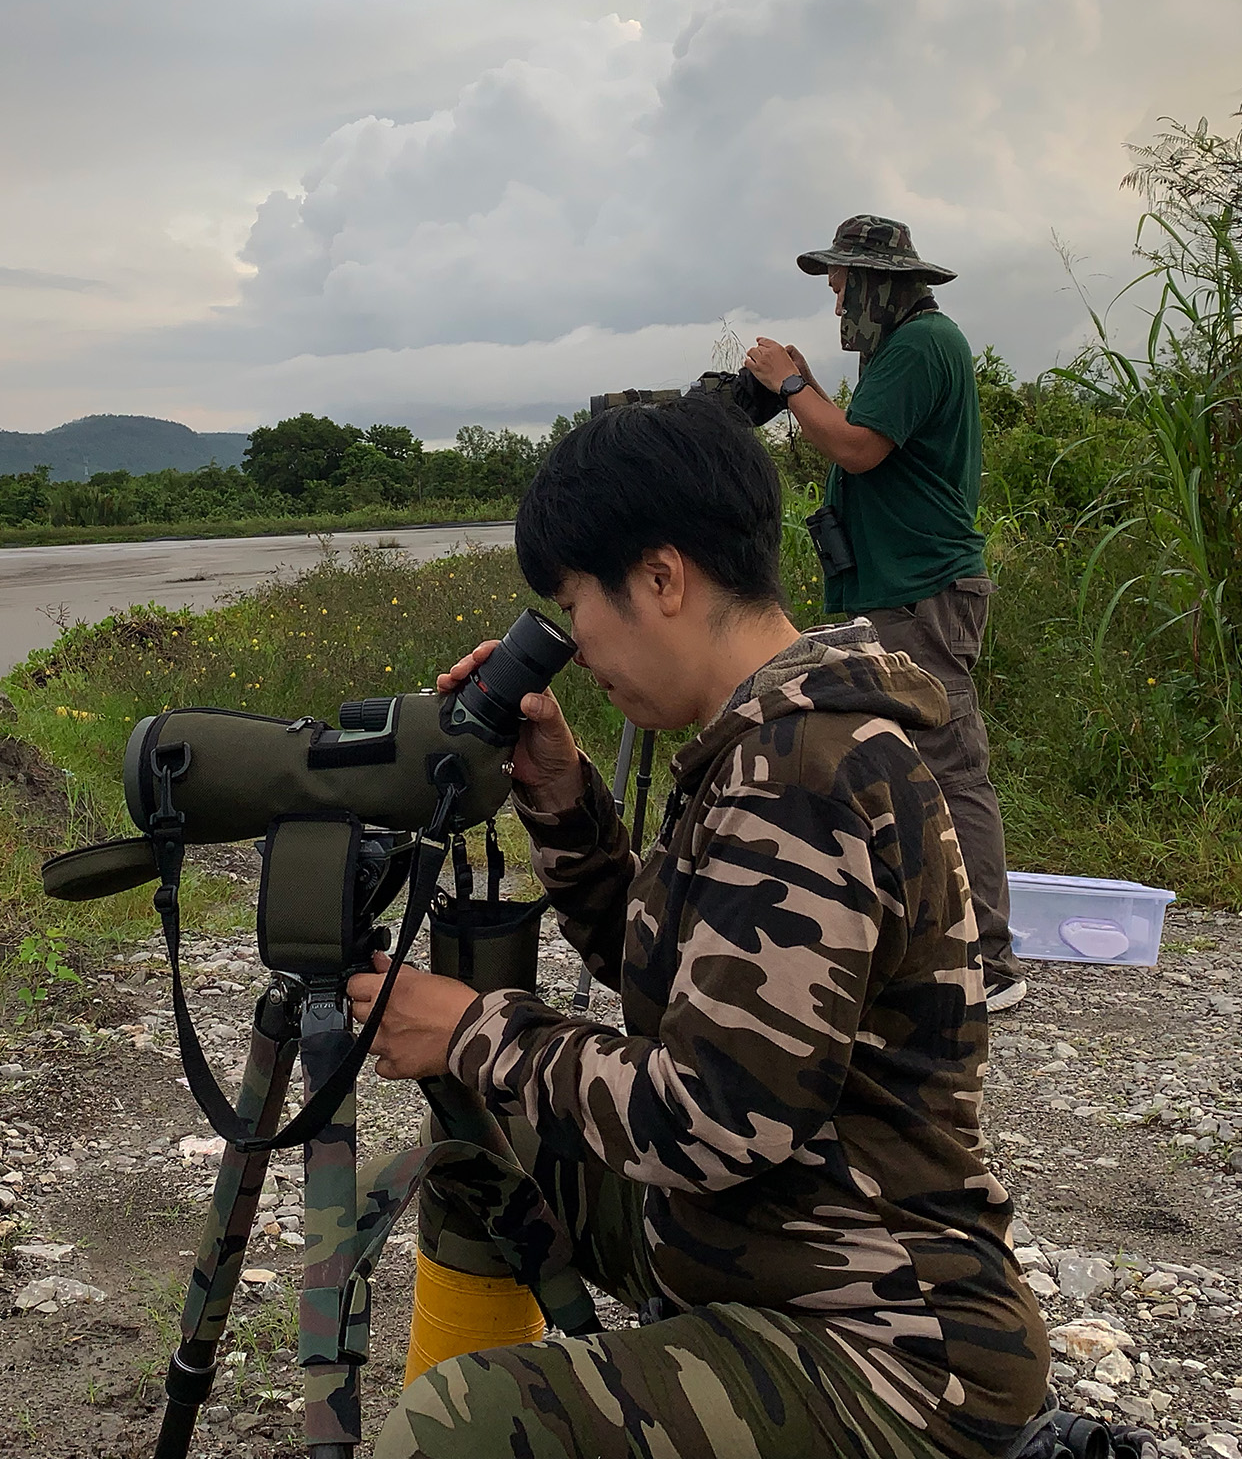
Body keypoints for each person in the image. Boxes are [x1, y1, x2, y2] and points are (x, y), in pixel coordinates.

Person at [345, 396, 1048, 1459]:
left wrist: (474, 1031)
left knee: (453, 1434)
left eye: (575, 602)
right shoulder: (762, 747)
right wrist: (563, 802)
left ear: (661, 579)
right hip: (761, 1247)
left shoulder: (804, 773)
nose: (575, 646)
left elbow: (713, 1119)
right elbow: (686, 988)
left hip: (886, 1346)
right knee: (477, 1151)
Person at [743, 214, 1026, 1012]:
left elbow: (857, 449)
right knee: (898, 763)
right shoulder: (898, 351)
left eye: (840, 289)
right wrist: (811, 386)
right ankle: (931, 941)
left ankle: (991, 961)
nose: (837, 308)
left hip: (920, 591)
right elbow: (862, 435)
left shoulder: (922, 344)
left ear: (876, 281)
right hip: (893, 588)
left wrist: (791, 386)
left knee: (949, 763)